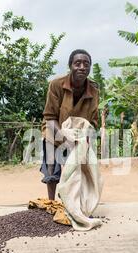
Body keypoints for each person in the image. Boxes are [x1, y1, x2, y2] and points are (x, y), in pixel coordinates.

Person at [40, 49, 99, 200]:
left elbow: (92, 120)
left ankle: (72, 201)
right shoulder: (56, 85)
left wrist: (83, 137)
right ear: (70, 66)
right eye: (77, 63)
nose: (82, 67)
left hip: (79, 135)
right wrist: (65, 138)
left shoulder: (93, 89)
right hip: (55, 130)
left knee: (77, 170)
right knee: (52, 170)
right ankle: (51, 202)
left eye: (86, 64)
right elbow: (50, 117)